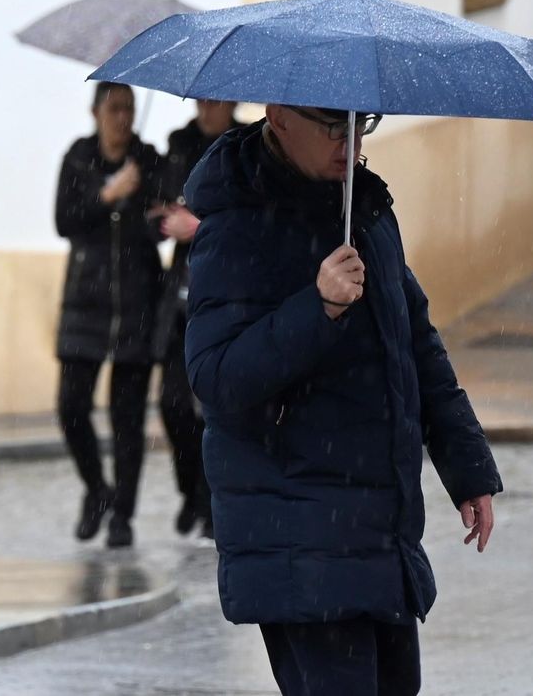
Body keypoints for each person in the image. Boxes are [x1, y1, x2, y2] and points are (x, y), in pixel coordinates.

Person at [183, 103, 502, 696]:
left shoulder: (367, 213)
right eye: (333, 126)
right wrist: (318, 307)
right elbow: (216, 378)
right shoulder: (238, 226)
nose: (351, 140)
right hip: (300, 536)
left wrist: (468, 469)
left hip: (377, 533)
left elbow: (416, 346)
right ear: (279, 117)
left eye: (362, 124)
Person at [53, 82, 164, 549]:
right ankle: (97, 490)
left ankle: (123, 515)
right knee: (71, 407)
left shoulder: (150, 161)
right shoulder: (77, 158)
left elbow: (160, 228)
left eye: (129, 109)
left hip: (138, 305)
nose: (123, 117)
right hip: (87, 304)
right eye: (114, 108)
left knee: (128, 419)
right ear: (95, 111)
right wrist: (108, 195)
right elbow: (65, 221)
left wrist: (146, 204)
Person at [150, 98, 242, 539]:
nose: (208, 108)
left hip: (225, 290)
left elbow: (245, 218)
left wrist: (199, 224)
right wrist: (170, 219)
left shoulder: (244, 146)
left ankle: (209, 505)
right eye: (202, 101)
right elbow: (159, 216)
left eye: (217, 101)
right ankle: (189, 490)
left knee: (212, 408)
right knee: (171, 403)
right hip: (180, 295)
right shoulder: (178, 145)